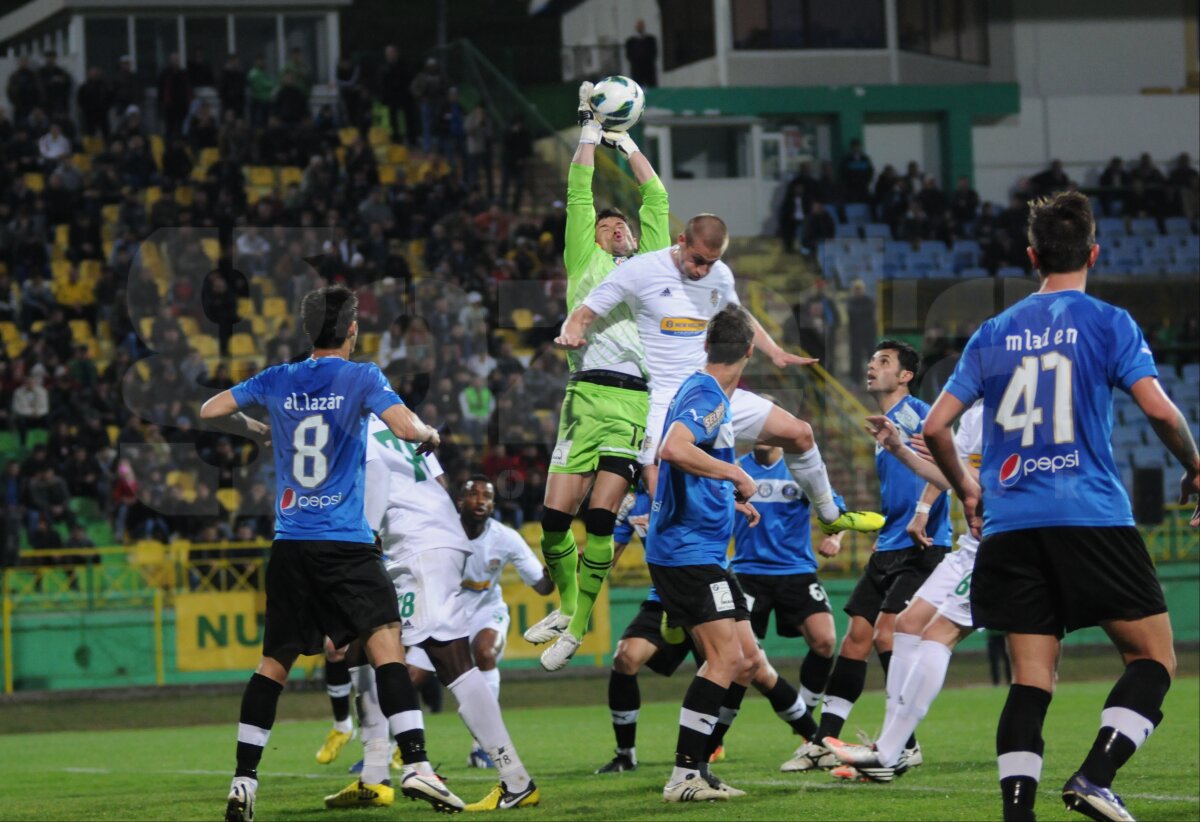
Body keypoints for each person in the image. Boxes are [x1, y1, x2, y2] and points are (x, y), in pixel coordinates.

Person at [922, 191, 1199, 822]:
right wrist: (1194, 464)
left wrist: (968, 490)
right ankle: (1095, 777)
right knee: (1154, 658)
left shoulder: (993, 332)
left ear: (1032, 256)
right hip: (1089, 514)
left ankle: (1018, 814)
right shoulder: (1109, 321)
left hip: (1010, 524)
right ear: (1093, 253)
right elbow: (1159, 411)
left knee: (1031, 680)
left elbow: (936, 426)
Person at [200, 285, 464, 820]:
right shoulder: (362, 376)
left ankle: (244, 781)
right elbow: (405, 427)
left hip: (290, 545)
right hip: (345, 542)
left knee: (273, 664)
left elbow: (211, 411)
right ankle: (416, 765)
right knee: (387, 646)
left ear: (306, 330)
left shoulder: (278, 377)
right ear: (352, 330)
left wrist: (256, 428)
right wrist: (431, 433)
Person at [556, 213, 880, 548]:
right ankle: (665, 557)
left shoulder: (719, 274)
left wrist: (775, 352)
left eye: (711, 263)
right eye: (697, 260)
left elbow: (738, 316)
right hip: (662, 400)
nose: (702, 271)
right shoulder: (641, 270)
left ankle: (830, 516)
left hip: (711, 395)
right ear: (681, 240)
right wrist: (571, 333)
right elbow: (583, 313)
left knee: (800, 433)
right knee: (656, 482)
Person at [521, 81, 671, 670]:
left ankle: (579, 627)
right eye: (607, 227)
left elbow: (655, 196)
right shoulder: (585, 260)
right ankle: (566, 607)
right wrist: (588, 130)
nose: (616, 230)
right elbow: (578, 190)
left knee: (602, 518)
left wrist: (626, 143)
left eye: (621, 226)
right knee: (553, 523)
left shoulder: (652, 263)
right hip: (582, 398)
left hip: (633, 402)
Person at [323, 434, 544, 811]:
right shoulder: (398, 426)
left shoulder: (358, 429)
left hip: (417, 551)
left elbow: (374, 485)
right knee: (362, 646)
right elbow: (439, 483)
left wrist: (360, 546)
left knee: (451, 661)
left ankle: (516, 779)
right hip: (414, 548)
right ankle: (374, 776)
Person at [791, 339, 951, 772]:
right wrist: (881, 529)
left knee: (886, 635)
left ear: (905, 375)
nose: (871, 367)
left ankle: (905, 743)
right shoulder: (885, 424)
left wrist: (921, 513)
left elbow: (946, 467)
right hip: (892, 543)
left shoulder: (919, 414)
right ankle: (824, 742)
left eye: (883, 361)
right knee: (856, 639)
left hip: (923, 545)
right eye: (871, 360)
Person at [596, 483, 825, 776]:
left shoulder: (691, 485)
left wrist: (731, 496)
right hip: (665, 596)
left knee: (755, 668)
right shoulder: (632, 502)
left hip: (707, 588)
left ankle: (816, 740)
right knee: (626, 656)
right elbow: (610, 553)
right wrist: (580, 570)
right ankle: (626, 755)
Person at [825, 401, 984, 782]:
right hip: (972, 546)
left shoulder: (1009, 411)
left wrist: (949, 461)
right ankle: (890, 751)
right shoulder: (976, 414)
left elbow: (983, 479)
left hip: (1005, 542)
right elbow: (951, 477)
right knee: (908, 625)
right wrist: (901, 451)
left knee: (1029, 663)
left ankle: (892, 751)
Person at [645, 305, 764, 802]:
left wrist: (725, 496)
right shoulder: (708, 394)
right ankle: (684, 776)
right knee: (725, 657)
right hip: (686, 552)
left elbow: (691, 463)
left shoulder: (701, 391)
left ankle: (700, 765)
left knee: (747, 660)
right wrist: (735, 474)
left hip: (704, 550)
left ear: (706, 345)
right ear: (750, 351)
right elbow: (673, 449)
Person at [729, 417, 846, 773]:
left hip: (796, 570)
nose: (761, 435)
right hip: (748, 573)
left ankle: (803, 718)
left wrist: (835, 537)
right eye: (755, 430)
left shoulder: (801, 468)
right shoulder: (734, 470)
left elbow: (835, 510)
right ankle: (714, 736)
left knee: (825, 641)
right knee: (738, 660)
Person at [624, 19, 658, 88]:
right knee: (637, 88)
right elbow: (629, 55)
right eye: (639, 26)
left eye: (642, 26)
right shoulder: (630, 42)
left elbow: (654, 53)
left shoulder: (651, 39)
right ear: (636, 27)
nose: (640, 27)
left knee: (652, 87)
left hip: (649, 69)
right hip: (636, 70)